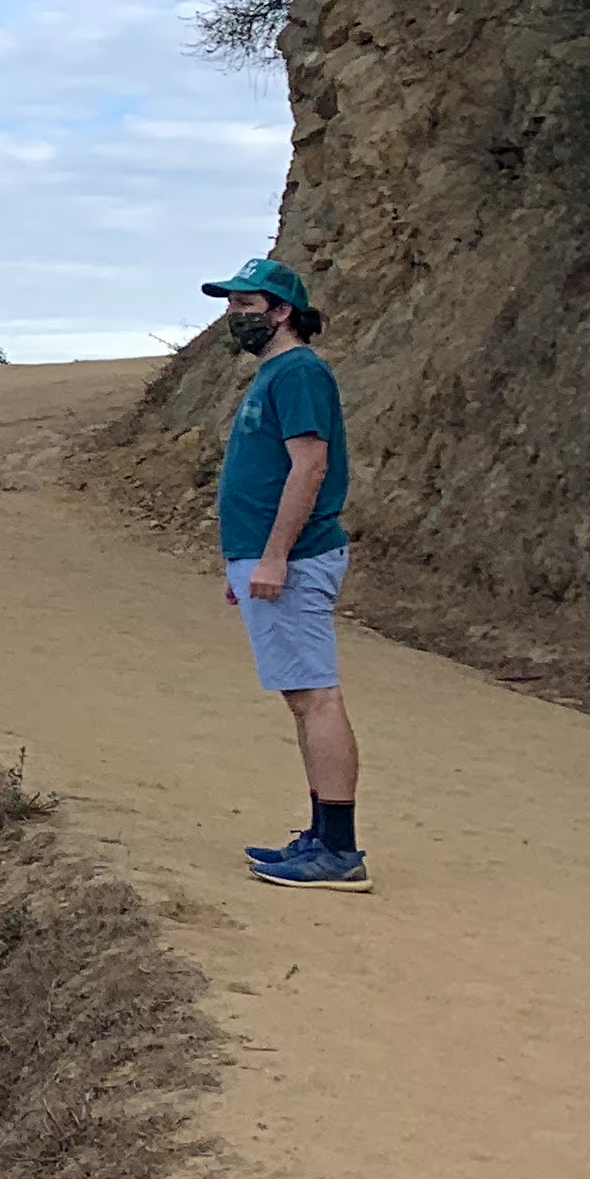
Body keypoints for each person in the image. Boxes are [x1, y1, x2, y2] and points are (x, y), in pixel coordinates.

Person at [205, 255, 364, 891]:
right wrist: (246, 562)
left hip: (292, 560)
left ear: (282, 312)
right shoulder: (276, 374)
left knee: (316, 695)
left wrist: (272, 558)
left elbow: (309, 468)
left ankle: (340, 851)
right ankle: (322, 837)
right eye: (231, 305)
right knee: (302, 698)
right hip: (269, 559)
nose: (234, 316)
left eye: (246, 306)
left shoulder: (298, 372)